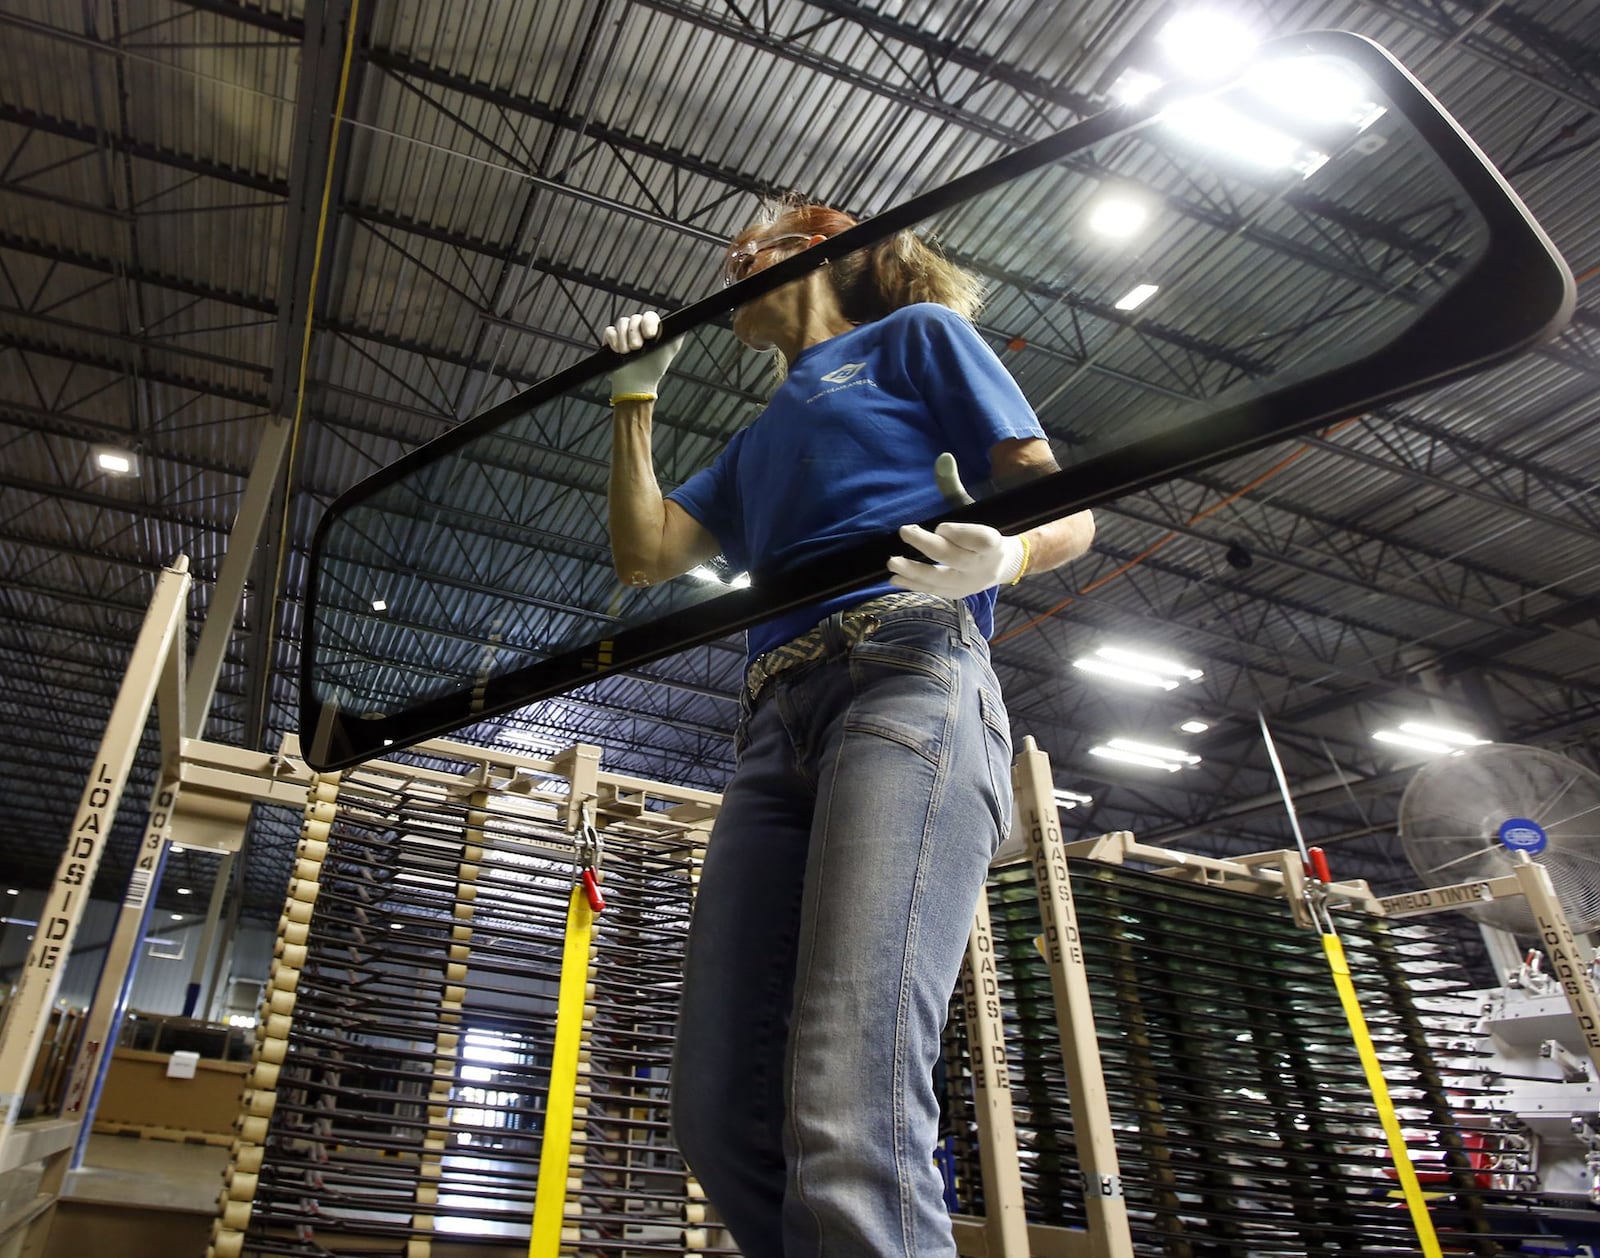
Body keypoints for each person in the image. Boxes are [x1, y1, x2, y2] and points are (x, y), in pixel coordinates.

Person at [602, 201, 1094, 1257]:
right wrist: (634, 398)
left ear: (829, 252)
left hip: (906, 668)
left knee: (848, 1090)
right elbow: (647, 553)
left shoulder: (914, 340)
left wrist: (1004, 557)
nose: (731, 258)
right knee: (721, 1113)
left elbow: (1068, 504)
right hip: (773, 723)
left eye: (757, 244)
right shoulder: (749, 444)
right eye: (726, 251)